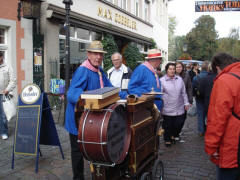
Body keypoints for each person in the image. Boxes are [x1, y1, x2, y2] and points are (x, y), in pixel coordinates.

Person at [65, 41, 113, 180]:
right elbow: (72, 93)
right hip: (77, 119)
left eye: (100, 54)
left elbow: (110, 89)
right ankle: (78, 178)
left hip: (91, 120)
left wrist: (126, 95)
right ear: (88, 54)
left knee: (95, 148)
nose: (98, 57)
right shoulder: (83, 70)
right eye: (95, 54)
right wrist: (88, 100)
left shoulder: (100, 71)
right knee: (77, 152)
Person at [205, 53, 240, 180]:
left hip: (232, 144)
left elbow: (217, 118)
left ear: (218, 67)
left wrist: (212, 147)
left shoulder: (224, 81)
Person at [160, 63, 190, 147]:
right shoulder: (162, 81)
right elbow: (159, 94)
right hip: (167, 107)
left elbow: (184, 93)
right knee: (168, 125)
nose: (172, 71)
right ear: (166, 70)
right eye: (170, 69)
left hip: (179, 106)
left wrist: (186, 102)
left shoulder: (179, 79)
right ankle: (167, 139)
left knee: (178, 123)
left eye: (173, 69)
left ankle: (173, 134)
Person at [0, 51, 16, 140]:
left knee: (3, 114)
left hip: (3, 93)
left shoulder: (8, 66)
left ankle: (3, 132)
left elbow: (13, 80)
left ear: (1, 57)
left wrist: (7, 90)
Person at [175, 61, 193, 141]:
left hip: (183, 100)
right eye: (177, 67)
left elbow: (189, 88)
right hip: (173, 100)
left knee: (182, 117)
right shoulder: (171, 75)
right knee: (173, 117)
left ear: (182, 68)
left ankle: (178, 131)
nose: (178, 68)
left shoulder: (186, 75)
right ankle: (174, 133)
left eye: (180, 67)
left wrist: (190, 100)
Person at [192, 61, 209, 136]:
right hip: (209, 98)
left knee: (200, 114)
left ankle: (201, 131)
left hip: (199, 98)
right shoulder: (211, 76)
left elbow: (193, 88)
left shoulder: (196, 77)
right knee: (208, 114)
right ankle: (207, 129)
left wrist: (193, 95)